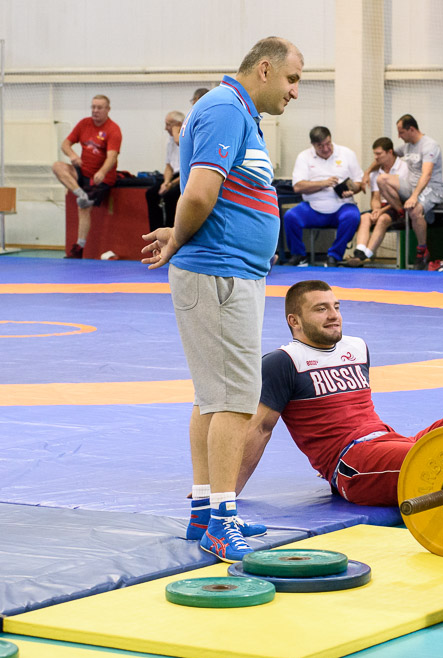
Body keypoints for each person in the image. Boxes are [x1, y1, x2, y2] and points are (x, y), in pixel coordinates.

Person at [140, 36, 303, 562]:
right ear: (264, 69)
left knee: (212, 395)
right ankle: (222, 521)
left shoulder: (241, 114)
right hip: (219, 276)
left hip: (231, 274)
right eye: (292, 79)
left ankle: (205, 512)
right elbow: (200, 193)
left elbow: (220, 193)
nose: (294, 92)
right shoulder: (223, 109)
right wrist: (179, 237)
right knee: (234, 399)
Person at [236, 280, 443, 503]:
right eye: (321, 309)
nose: (334, 316)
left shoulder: (356, 347)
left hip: (392, 442)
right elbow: (260, 429)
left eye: (336, 306)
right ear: (294, 321)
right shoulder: (282, 362)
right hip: (352, 464)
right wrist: (227, 493)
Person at [366, 115, 443, 270]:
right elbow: (383, 155)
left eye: (401, 132)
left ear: (412, 129)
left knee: (415, 210)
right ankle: (401, 212)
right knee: (382, 179)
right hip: (410, 186)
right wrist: (366, 173)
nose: (399, 136)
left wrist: (414, 196)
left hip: (430, 188)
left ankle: (422, 250)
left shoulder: (430, 146)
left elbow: (426, 174)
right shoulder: (406, 146)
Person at [281, 127, 363, 267]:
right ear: (313, 145)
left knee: (353, 216)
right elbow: (298, 187)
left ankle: (334, 256)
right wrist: (323, 183)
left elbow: (359, 183)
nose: (326, 149)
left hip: (341, 205)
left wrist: (353, 190)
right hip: (312, 207)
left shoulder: (347, 154)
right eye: (320, 146)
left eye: (328, 144)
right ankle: (299, 255)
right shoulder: (304, 157)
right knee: (290, 216)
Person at [53, 95, 123, 258]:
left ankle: (79, 247)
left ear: (108, 109)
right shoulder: (84, 123)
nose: (95, 111)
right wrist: (72, 155)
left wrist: (102, 172)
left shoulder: (113, 129)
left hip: (101, 178)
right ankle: (81, 193)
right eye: (93, 107)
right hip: (82, 172)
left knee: (83, 208)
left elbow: (112, 157)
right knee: (57, 166)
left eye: (99, 108)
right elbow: (65, 144)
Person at [346, 137, 408, 267]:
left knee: (383, 219)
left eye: (379, 154)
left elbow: (402, 198)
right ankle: (359, 252)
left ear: (390, 152)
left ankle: (366, 255)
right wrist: (375, 209)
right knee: (365, 217)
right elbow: (375, 197)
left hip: (398, 206)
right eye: (374, 154)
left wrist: (381, 211)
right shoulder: (375, 172)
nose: (376, 157)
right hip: (382, 207)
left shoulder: (404, 168)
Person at [145, 111, 184, 232]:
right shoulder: (170, 140)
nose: (166, 128)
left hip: (184, 176)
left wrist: (172, 184)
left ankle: (171, 231)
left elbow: (187, 170)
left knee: (170, 195)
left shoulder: (185, 139)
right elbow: (168, 166)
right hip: (173, 175)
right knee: (151, 193)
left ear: (178, 124)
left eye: (168, 125)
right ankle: (156, 231)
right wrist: (166, 182)